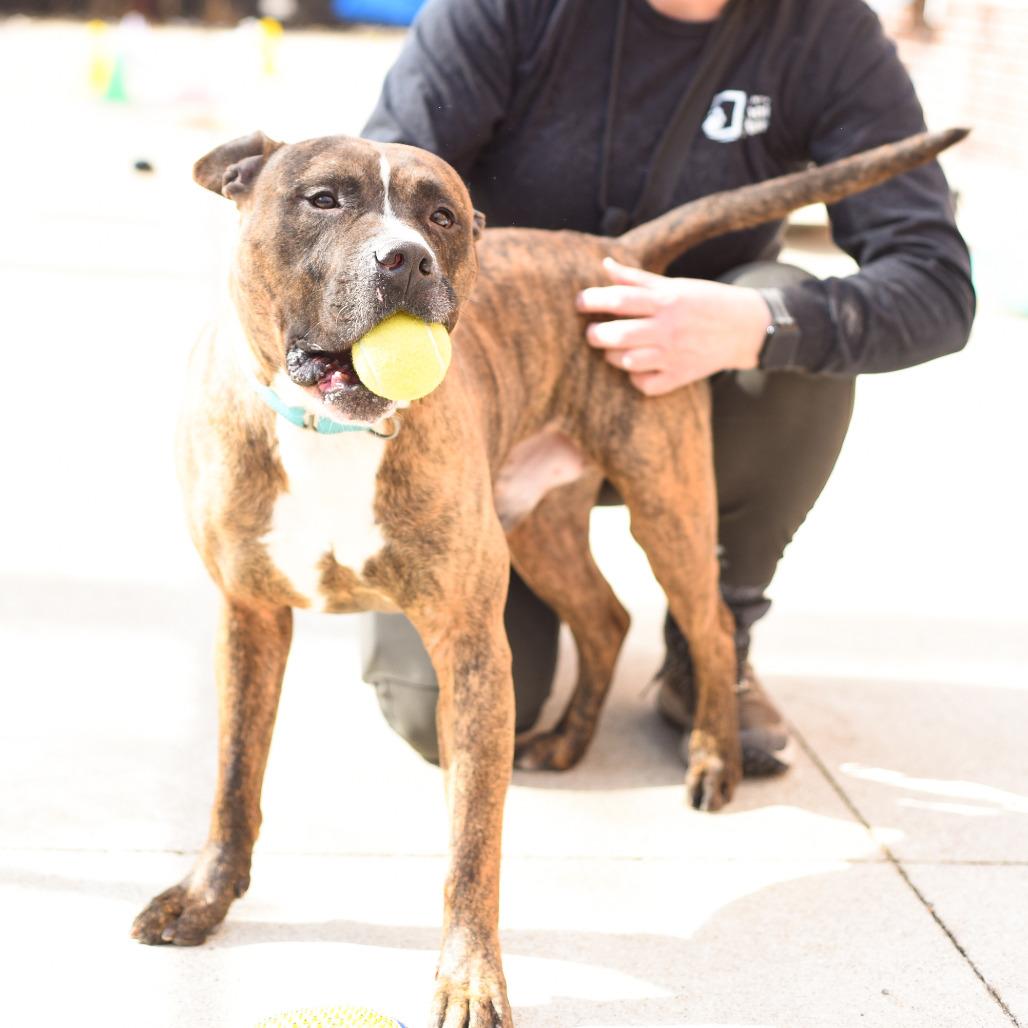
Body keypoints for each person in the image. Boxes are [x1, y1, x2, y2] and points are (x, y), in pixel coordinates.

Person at [359, 0, 975, 774]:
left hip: (688, 396)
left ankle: (714, 634)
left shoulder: (823, 27)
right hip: (491, 398)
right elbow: (376, 213)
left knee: (794, 325)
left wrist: (757, 321)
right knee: (435, 711)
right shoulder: (503, 10)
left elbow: (938, 289)